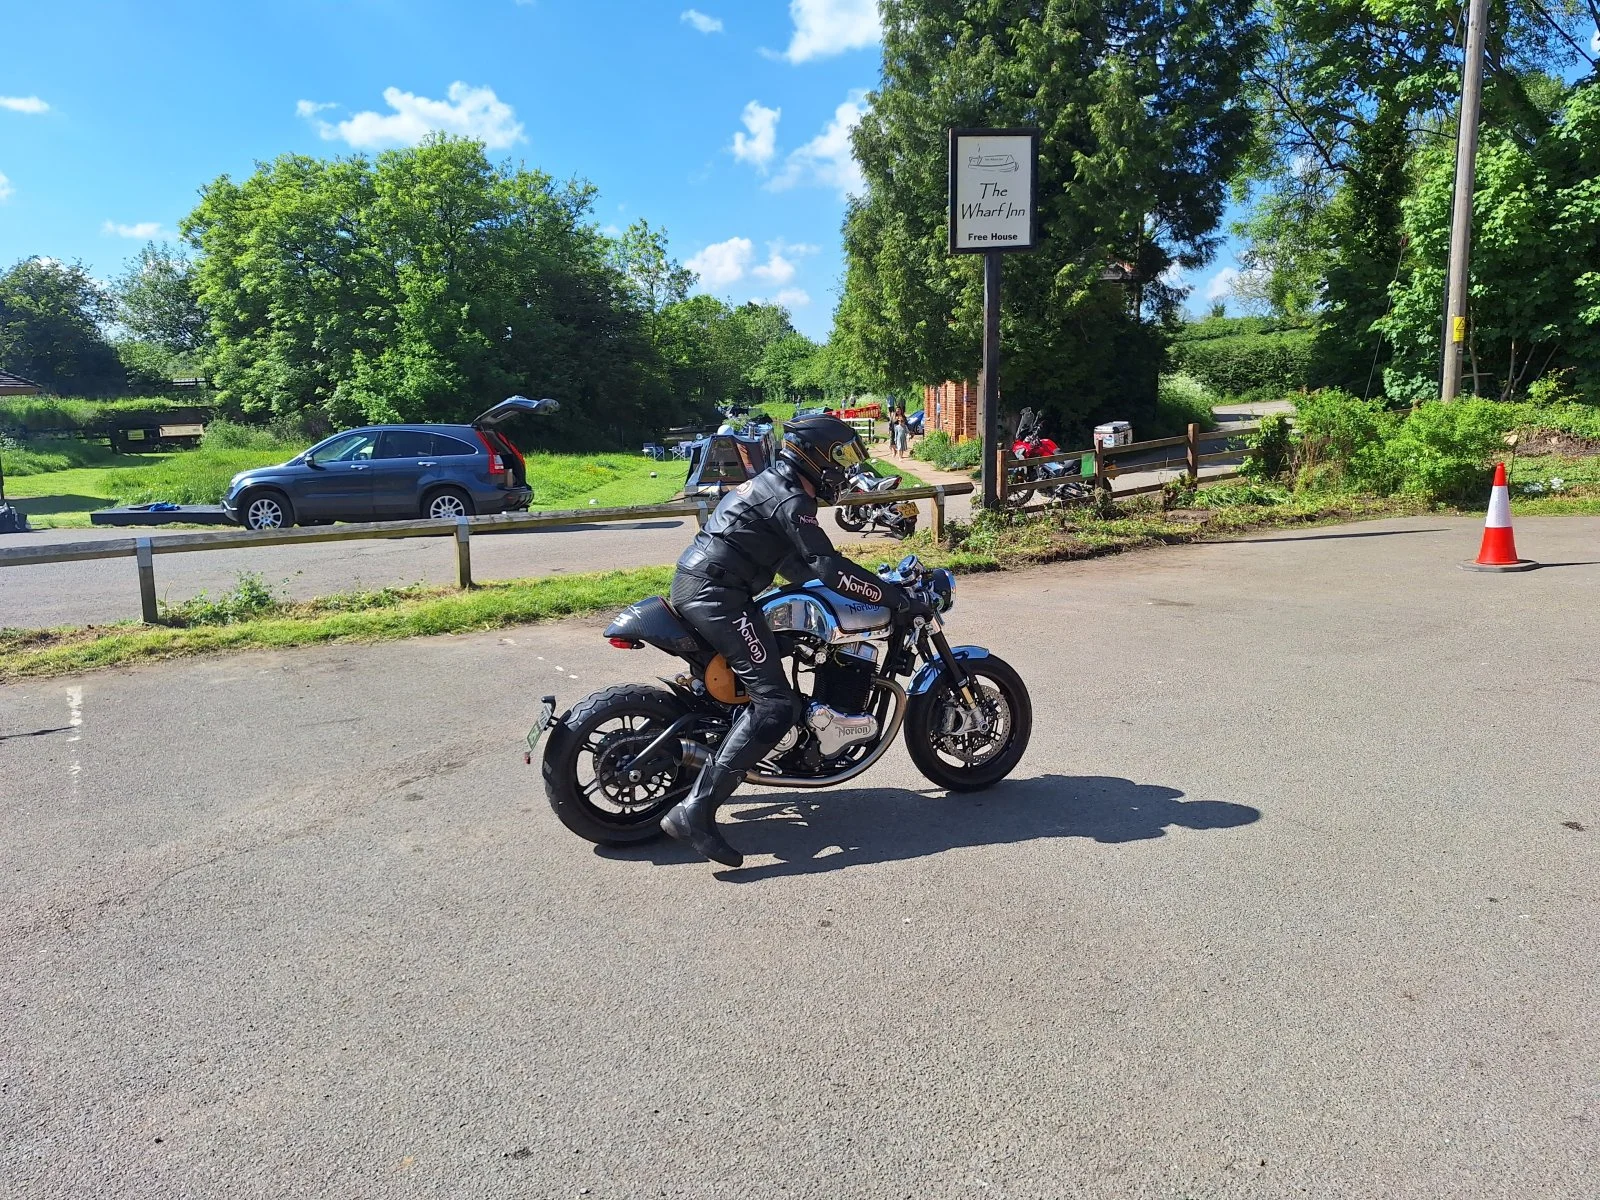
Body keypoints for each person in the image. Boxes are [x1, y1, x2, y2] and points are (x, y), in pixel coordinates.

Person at [662, 415, 927, 868]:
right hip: (717, 595)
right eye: (841, 457)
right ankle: (696, 812)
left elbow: (796, 566)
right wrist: (892, 596)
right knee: (774, 704)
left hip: (710, 586)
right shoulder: (791, 497)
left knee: (788, 652)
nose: (845, 469)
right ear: (816, 455)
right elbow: (826, 566)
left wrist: (866, 586)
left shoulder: (776, 484)